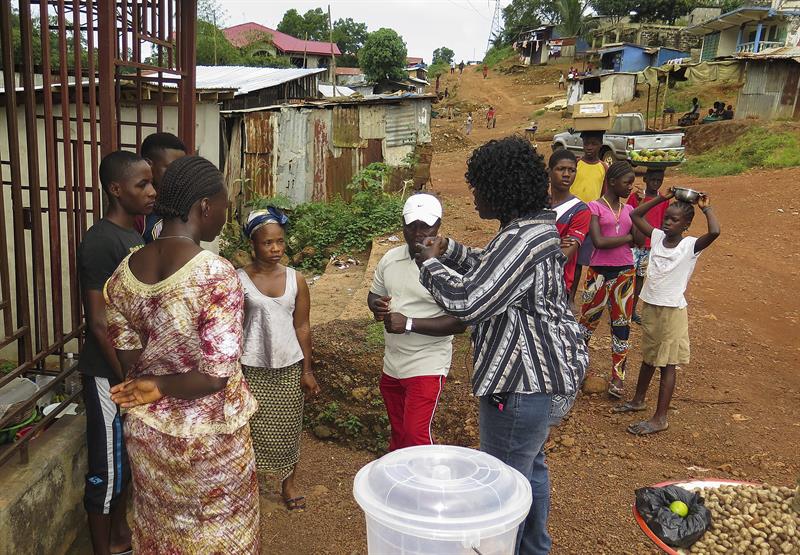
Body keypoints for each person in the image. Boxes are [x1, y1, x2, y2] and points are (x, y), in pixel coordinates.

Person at [416, 137, 588, 555]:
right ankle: (534, 548)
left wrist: (430, 263)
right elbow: (494, 271)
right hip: (539, 382)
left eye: (478, 187)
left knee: (502, 486)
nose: (474, 197)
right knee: (530, 472)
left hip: (518, 385)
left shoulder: (522, 240)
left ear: (500, 188)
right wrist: (450, 250)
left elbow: (470, 300)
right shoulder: (531, 230)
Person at [106, 156, 259, 553]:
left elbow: (129, 361)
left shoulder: (122, 275)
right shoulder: (216, 274)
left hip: (148, 435)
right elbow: (215, 376)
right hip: (210, 442)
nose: (224, 217)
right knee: (222, 539)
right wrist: (161, 384)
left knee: (161, 537)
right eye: (224, 207)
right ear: (205, 207)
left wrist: (155, 383)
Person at [77, 150, 155, 555]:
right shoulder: (100, 241)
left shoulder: (135, 238)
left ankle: (121, 537)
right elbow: (97, 322)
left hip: (129, 373)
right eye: (143, 184)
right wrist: (126, 378)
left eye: (151, 182)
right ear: (116, 189)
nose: (152, 191)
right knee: (106, 471)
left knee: (125, 464)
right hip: (108, 375)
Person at [615, 190, 720, 435]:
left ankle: (660, 418)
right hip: (651, 305)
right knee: (649, 357)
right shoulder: (658, 236)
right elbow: (636, 215)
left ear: (686, 225)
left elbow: (715, 232)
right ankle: (638, 400)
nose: (667, 222)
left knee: (667, 365)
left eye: (674, 220)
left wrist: (706, 208)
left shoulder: (689, 246)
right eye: (666, 218)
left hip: (672, 311)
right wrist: (663, 198)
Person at [367, 194, 466, 451]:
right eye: (412, 226)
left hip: (427, 363)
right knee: (399, 435)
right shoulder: (391, 259)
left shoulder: (449, 267)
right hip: (393, 361)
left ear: (438, 225)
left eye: (426, 226)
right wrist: (376, 305)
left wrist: (409, 323)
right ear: (403, 224)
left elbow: (460, 322)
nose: (419, 233)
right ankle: (399, 476)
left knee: (415, 436)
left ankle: (427, 477)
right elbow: (374, 294)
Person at [238, 207, 321, 511]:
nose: (275, 249)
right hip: (250, 367)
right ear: (253, 244)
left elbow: (303, 325)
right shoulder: (238, 280)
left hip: (288, 366)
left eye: (280, 241)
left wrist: (307, 370)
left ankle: (289, 483)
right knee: (248, 429)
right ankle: (246, 484)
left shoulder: (296, 279)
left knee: (288, 427)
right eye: (267, 243)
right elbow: (233, 326)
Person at [578, 161, 637, 399]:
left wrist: (640, 210)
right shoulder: (594, 207)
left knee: (622, 326)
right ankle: (578, 370)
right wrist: (628, 237)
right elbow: (599, 241)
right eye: (627, 182)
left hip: (625, 271)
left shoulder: (630, 209)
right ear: (612, 182)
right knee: (586, 324)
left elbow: (639, 239)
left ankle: (618, 378)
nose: (631, 187)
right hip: (598, 273)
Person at [569, 131, 608, 302]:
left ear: (600, 145)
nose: (589, 147)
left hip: (590, 219)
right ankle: (563, 294)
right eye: (586, 144)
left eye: (594, 144)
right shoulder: (576, 164)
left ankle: (573, 297)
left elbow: (604, 195)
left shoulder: (603, 168)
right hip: (571, 217)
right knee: (568, 257)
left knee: (581, 261)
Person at [627, 169, 668, 324]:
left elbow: (663, 223)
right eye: (653, 179)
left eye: (659, 180)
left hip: (650, 246)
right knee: (626, 277)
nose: (656, 183)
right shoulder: (636, 197)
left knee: (640, 278)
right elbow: (628, 217)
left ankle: (632, 311)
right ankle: (621, 309)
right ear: (645, 179)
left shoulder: (663, 200)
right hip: (633, 245)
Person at [548, 149, 590, 301]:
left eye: (572, 170)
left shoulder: (580, 210)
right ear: (549, 172)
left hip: (558, 285)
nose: (566, 174)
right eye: (561, 169)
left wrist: (537, 245)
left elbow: (564, 255)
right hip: (529, 282)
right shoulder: (536, 203)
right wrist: (555, 242)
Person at [137, 132, 187, 243]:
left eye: (182, 168)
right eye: (171, 167)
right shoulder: (138, 211)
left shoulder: (181, 207)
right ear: (148, 164)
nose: (178, 174)